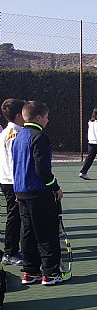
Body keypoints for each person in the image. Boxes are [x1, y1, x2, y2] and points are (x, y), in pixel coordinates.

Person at [12, 101, 67, 285]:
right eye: (46, 116)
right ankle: (50, 273)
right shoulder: (40, 137)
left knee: (27, 233)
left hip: (21, 193)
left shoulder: (17, 138)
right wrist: (55, 187)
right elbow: (42, 170)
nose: (48, 120)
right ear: (38, 118)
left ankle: (30, 272)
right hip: (39, 193)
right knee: (47, 232)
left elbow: (17, 167)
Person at [0, 99, 25, 266]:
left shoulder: (7, 132)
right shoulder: (15, 134)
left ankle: (13, 250)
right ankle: (10, 252)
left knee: (16, 216)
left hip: (8, 179)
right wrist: (18, 187)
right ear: (18, 115)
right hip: (12, 181)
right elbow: (14, 163)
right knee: (15, 216)